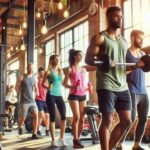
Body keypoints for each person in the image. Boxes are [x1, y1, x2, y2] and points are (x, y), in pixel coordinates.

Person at [85, 6, 145, 150]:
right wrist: (103, 62)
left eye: (121, 17)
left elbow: (122, 67)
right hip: (106, 84)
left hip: (122, 85)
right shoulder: (100, 37)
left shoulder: (123, 41)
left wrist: (135, 66)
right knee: (107, 120)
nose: (120, 19)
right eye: (117, 16)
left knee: (126, 120)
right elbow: (88, 59)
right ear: (108, 18)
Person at [116, 30, 149, 150]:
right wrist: (136, 66)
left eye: (142, 38)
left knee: (144, 118)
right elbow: (121, 72)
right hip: (131, 89)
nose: (142, 41)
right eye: (140, 38)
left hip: (143, 91)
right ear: (133, 37)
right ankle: (118, 143)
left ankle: (136, 145)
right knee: (130, 119)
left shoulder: (143, 53)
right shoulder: (126, 53)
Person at [42, 54, 67, 147]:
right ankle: (53, 140)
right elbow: (42, 84)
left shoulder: (60, 71)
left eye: (58, 59)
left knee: (63, 116)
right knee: (52, 117)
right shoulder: (48, 71)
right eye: (56, 59)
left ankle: (61, 138)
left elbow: (63, 83)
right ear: (51, 60)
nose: (58, 61)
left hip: (59, 95)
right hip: (51, 95)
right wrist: (47, 87)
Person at [63, 49, 87, 148]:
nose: (81, 57)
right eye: (79, 55)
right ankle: (75, 139)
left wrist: (87, 88)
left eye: (82, 55)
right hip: (73, 95)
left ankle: (78, 139)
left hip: (83, 95)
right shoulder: (69, 69)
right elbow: (64, 84)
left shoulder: (83, 69)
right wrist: (72, 87)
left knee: (82, 119)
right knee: (76, 116)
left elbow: (82, 84)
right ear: (74, 56)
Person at [16, 63, 39, 139]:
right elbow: (17, 87)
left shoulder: (34, 78)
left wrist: (37, 91)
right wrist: (18, 84)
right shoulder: (22, 77)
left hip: (32, 100)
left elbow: (36, 87)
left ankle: (34, 133)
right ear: (27, 68)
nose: (31, 69)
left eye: (32, 68)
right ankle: (19, 127)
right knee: (23, 117)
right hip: (24, 101)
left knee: (36, 115)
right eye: (30, 67)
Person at [35, 67, 50, 136]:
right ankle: (38, 130)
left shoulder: (47, 80)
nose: (42, 74)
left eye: (43, 73)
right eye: (40, 73)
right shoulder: (37, 80)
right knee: (41, 114)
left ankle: (47, 130)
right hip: (38, 99)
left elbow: (49, 88)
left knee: (47, 115)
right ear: (39, 73)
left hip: (45, 100)